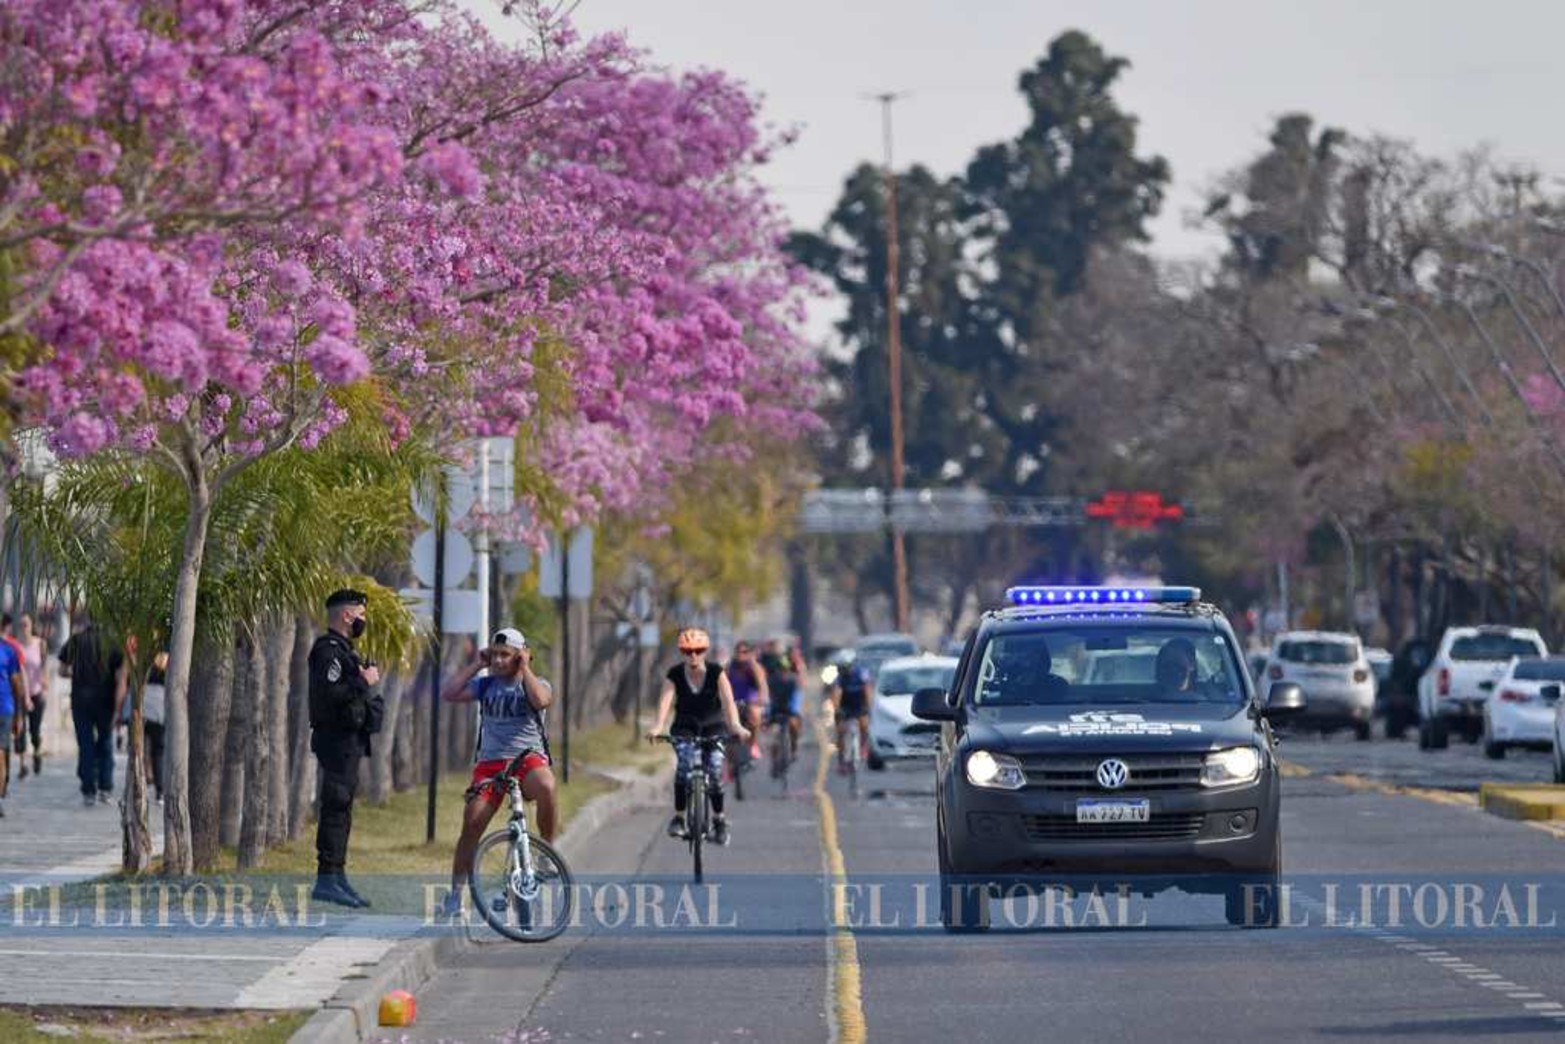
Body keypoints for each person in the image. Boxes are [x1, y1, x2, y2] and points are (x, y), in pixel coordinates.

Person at [435, 627, 556, 918]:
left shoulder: (537, 683)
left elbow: (540, 701)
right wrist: (478, 663)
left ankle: (545, 855)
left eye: (506, 655)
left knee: (547, 786)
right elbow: (449, 693)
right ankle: (455, 896)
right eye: (496, 654)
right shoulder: (486, 685)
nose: (500, 661)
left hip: (527, 759)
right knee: (472, 823)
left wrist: (524, 667)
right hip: (491, 764)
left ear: (520, 655)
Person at [307, 589, 384, 908]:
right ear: (347, 615)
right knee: (336, 808)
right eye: (361, 615)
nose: (363, 621)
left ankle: (337, 876)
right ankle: (326, 880)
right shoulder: (328, 651)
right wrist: (363, 682)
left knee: (343, 810)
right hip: (336, 739)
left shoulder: (344, 651)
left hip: (349, 741)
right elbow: (328, 695)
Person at [647, 627, 750, 846]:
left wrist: (736, 726)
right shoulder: (674, 674)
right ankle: (679, 817)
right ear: (682, 652)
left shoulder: (716, 672)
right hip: (685, 726)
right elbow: (665, 701)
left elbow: (728, 702)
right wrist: (657, 726)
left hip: (713, 726)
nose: (693, 655)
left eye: (698, 650)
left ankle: (719, 820)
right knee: (684, 766)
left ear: (705, 651)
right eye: (687, 651)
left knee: (714, 769)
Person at [59, 617, 126, 807]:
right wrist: (118, 708)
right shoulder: (113, 643)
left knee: (85, 744)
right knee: (105, 743)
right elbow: (121, 679)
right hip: (106, 702)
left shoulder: (75, 641)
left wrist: (78, 673)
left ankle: (88, 789)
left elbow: (62, 670)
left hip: (80, 701)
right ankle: (105, 787)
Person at [13, 613, 49, 779]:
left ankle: (37, 752)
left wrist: (45, 680)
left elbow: (44, 665)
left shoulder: (40, 644)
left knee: (34, 730)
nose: (23, 627)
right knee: (20, 729)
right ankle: (22, 765)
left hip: (37, 693)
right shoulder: (16, 646)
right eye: (21, 624)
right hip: (20, 693)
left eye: (26, 624)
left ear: (31, 625)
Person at [759, 638, 802, 764]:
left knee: (794, 725)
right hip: (776, 709)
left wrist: (793, 710)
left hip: (789, 709)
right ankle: (774, 759)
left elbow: (796, 697)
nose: (783, 672)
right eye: (780, 669)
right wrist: (767, 713)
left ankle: (794, 749)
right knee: (773, 735)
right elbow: (768, 697)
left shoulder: (793, 681)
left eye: (785, 669)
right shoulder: (772, 681)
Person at [726, 641, 769, 761]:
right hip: (733, 701)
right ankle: (728, 760)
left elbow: (762, 685)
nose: (741, 655)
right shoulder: (730, 667)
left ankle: (753, 744)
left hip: (750, 700)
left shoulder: (754, 667)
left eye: (744, 652)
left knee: (755, 715)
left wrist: (762, 698)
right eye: (738, 652)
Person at [831, 658, 874, 774]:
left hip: (859, 702)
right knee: (841, 732)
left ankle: (863, 746)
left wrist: (868, 706)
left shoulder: (861, 673)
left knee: (864, 725)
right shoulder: (839, 678)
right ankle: (841, 762)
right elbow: (836, 693)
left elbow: (867, 690)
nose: (843, 672)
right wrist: (837, 709)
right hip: (845, 704)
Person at [0, 629, 22, 816]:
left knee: (1, 753)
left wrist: (19, 715)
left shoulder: (8, 651)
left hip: (4, 710)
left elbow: (16, 683)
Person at [142, 651, 168, 803]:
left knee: (143, 749)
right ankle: (160, 789)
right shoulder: (167, 663)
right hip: (160, 712)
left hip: (144, 709)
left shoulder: (144, 664)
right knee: (158, 751)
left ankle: (148, 778)